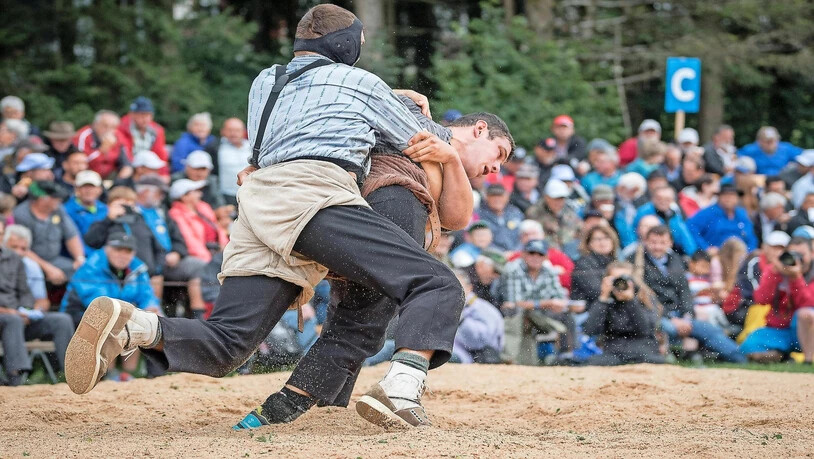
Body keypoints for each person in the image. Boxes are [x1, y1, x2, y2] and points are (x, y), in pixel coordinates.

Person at [65, 5, 501, 432]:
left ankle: (135, 326)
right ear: (346, 45)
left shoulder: (265, 80)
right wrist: (409, 105)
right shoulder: (360, 81)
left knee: (227, 344)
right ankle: (402, 389)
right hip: (314, 193)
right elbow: (421, 139)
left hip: (259, 201)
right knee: (438, 282)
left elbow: (261, 149)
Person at [631, 226, 745, 362]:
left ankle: (738, 357)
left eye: (662, 242)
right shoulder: (637, 263)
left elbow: (684, 291)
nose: (657, 247)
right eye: (654, 242)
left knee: (710, 330)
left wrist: (687, 315)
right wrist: (671, 318)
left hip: (680, 314)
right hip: (655, 316)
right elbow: (644, 298)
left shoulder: (676, 260)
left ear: (670, 243)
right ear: (646, 242)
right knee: (669, 328)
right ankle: (678, 356)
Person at [60, 232, 161, 326]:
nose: (122, 255)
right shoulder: (91, 266)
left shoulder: (139, 268)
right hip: (81, 316)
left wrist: (150, 310)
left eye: (128, 251)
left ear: (134, 253)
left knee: (156, 323)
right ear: (106, 249)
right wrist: (135, 316)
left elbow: (147, 296)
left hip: (120, 317)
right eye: (118, 250)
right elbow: (100, 304)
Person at [740, 236, 814, 363]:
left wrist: (796, 277)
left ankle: (808, 359)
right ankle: (782, 357)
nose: (797, 259)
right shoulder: (776, 270)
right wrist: (774, 273)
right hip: (781, 331)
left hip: (807, 331)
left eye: (801, 254)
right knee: (748, 346)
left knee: (804, 314)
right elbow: (760, 299)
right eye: (792, 254)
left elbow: (807, 304)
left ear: (812, 254)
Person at [501, 239, 575, 359]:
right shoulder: (513, 269)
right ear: (524, 254)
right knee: (514, 311)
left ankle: (566, 356)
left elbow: (559, 296)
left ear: (545, 256)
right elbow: (516, 302)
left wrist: (558, 304)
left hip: (540, 313)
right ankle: (509, 358)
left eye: (540, 254)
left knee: (566, 315)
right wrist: (548, 303)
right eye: (531, 253)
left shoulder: (549, 270)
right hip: (515, 313)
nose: (535, 257)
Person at [583, 261, 664, 365]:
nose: (620, 284)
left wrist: (631, 301)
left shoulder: (646, 298)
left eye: (624, 278)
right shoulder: (604, 300)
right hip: (613, 354)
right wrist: (603, 299)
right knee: (592, 362)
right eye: (616, 279)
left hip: (643, 353)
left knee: (655, 361)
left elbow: (644, 330)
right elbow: (590, 330)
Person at [13, 181, 84, 285]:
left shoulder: (58, 209)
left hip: (56, 259)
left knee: (82, 272)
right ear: (43, 198)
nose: (59, 200)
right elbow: (21, 248)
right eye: (55, 198)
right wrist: (48, 268)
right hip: (30, 262)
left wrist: (79, 258)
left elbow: (71, 234)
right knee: (34, 272)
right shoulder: (21, 214)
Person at [451, 270, 505, 364]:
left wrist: (461, 318)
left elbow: (482, 343)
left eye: (458, 286)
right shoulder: (443, 306)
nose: (452, 291)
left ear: (469, 287)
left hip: (471, 359)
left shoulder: (483, 309)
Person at [687, 184, 759, 253]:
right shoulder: (708, 212)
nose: (728, 198)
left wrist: (749, 251)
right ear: (719, 197)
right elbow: (691, 228)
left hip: (740, 256)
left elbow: (751, 238)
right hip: (715, 256)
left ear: (737, 198)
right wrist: (706, 248)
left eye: (732, 195)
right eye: (725, 195)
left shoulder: (742, 214)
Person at [634, 186, 697, 256]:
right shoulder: (643, 212)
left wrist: (693, 255)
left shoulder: (673, 215)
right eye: (659, 198)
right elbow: (633, 232)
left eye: (667, 199)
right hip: (644, 249)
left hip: (667, 250)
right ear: (653, 198)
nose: (663, 201)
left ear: (672, 201)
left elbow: (684, 237)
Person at [526, 179, 582, 256]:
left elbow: (579, 230)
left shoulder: (569, 211)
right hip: (544, 253)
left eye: (562, 198)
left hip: (569, 252)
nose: (559, 202)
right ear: (546, 197)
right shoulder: (534, 213)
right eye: (555, 198)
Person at [73, 110, 133, 180]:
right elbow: (81, 163)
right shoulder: (84, 136)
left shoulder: (118, 137)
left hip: (109, 177)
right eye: (105, 126)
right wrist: (102, 150)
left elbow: (126, 163)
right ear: (95, 124)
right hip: (86, 176)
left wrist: (120, 181)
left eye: (113, 127)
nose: (108, 130)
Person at [571, 225, 620, 307]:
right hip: (589, 310)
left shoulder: (615, 262)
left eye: (607, 238)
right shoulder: (583, 263)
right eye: (598, 239)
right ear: (589, 244)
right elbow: (595, 291)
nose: (603, 242)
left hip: (611, 307)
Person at [205, 118, 251, 206]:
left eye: (237, 130)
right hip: (225, 195)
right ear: (222, 131)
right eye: (230, 130)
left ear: (244, 131)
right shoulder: (214, 147)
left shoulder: (251, 147)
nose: (233, 134)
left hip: (249, 193)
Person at [118, 97, 169, 174]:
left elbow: (161, 155)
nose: (145, 119)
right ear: (132, 114)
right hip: (129, 168)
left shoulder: (157, 131)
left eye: (148, 115)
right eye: (141, 115)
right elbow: (124, 155)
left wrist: (163, 173)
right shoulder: (122, 128)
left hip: (149, 168)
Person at [170, 150, 228, 216]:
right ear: (187, 167)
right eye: (196, 168)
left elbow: (219, 203)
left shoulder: (212, 181)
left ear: (209, 170)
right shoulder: (177, 180)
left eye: (203, 169)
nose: (199, 173)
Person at [63, 170, 108, 255]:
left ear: (100, 189)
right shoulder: (66, 210)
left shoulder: (106, 209)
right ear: (77, 189)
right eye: (84, 187)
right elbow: (72, 239)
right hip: (79, 257)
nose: (88, 190)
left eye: (92, 187)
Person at [737, 126, 803, 176]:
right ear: (759, 141)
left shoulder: (786, 148)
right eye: (766, 141)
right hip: (758, 181)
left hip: (781, 181)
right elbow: (736, 159)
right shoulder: (751, 150)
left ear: (778, 140)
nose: (770, 144)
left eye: (772, 141)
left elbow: (803, 157)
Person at [477, 183, 524, 251]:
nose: (497, 199)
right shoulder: (479, 214)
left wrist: (515, 252)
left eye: (500, 195)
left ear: (507, 197)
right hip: (491, 254)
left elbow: (523, 236)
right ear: (486, 197)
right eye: (493, 196)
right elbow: (478, 239)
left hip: (517, 254)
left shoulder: (515, 212)